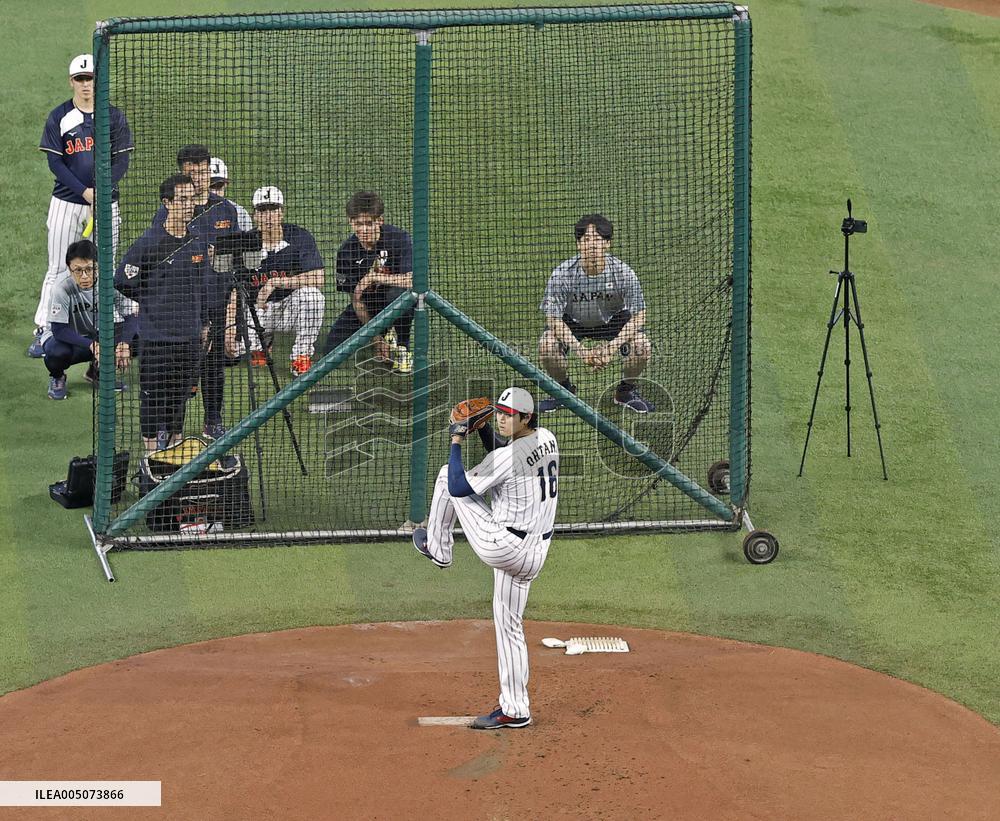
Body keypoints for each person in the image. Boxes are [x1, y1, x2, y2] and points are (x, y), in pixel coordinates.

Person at [412, 387, 559, 730]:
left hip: (503, 546)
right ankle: (515, 708)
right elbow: (506, 458)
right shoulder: (548, 438)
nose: (504, 419)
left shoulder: (505, 459)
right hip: (535, 553)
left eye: (511, 415)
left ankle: (438, 549)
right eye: (501, 414)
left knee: (446, 479)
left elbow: (461, 487)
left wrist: (457, 440)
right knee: (509, 626)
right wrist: (485, 432)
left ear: (527, 417)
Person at [31, 53, 134, 358]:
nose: (86, 84)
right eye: (80, 79)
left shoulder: (114, 117)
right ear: (72, 82)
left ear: (98, 81)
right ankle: (44, 329)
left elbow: (122, 161)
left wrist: (101, 191)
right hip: (66, 202)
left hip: (106, 204)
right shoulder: (60, 116)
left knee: (104, 268)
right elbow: (55, 161)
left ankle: (100, 329)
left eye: (90, 78)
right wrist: (84, 191)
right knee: (57, 268)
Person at [115, 175, 210, 453]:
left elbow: (201, 287)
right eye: (182, 200)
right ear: (167, 203)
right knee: (153, 399)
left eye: (192, 199)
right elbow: (122, 279)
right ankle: (151, 457)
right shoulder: (149, 242)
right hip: (156, 338)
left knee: (178, 400)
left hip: (189, 338)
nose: (188, 205)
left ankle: (173, 455)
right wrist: (152, 299)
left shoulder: (198, 243)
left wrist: (204, 324)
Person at [153, 145, 242, 437]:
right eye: (192, 172)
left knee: (214, 366)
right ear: (183, 174)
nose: (200, 177)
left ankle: (213, 420)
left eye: (203, 171)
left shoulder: (226, 210)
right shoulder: (170, 211)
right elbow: (159, 256)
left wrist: (230, 318)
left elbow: (234, 267)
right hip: (182, 304)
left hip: (216, 300)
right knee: (177, 368)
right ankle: (169, 425)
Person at [537, 214, 655, 413]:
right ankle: (563, 391)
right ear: (578, 244)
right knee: (547, 346)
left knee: (642, 346)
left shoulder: (623, 272)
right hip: (573, 320)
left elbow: (639, 315)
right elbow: (553, 319)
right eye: (586, 239)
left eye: (598, 239)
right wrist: (582, 352)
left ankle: (625, 392)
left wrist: (611, 348)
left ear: (607, 244)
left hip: (613, 319)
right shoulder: (562, 274)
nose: (592, 245)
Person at [225, 186, 325, 376]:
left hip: (291, 308)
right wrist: (230, 329)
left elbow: (318, 277)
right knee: (236, 352)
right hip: (259, 311)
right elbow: (233, 290)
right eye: (262, 210)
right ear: (255, 215)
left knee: (313, 296)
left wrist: (275, 283)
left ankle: (301, 356)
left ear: (282, 212)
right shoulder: (245, 243)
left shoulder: (299, 236)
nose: (268, 216)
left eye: (273, 209)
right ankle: (263, 343)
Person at [323, 190, 414, 374]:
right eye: (358, 224)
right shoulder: (346, 252)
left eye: (368, 223)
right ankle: (384, 336)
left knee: (401, 295)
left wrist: (374, 277)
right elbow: (356, 300)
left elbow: (413, 280)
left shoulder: (399, 239)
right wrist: (375, 337)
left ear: (380, 220)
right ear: (350, 222)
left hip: (395, 301)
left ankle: (402, 347)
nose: (363, 230)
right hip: (368, 305)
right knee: (329, 352)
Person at [42, 240, 133, 400]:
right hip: (67, 341)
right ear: (70, 270)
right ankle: (57, 377)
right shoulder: (61, 289)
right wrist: (91, 345)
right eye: (77, 271)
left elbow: (132, 314)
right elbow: (59, 330)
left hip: (95, 338)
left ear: (97, 266)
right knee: (56, 352)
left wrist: (124, 343)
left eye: (89, 269)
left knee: (137, 338)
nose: (84, 276)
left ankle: (97, 372)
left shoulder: (107, 284)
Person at [209, 157, 253, 231]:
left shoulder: (240, 213)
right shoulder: (189, 211)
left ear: (225, 185)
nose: (214, 193)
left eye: (218, 187)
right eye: (211, 186)